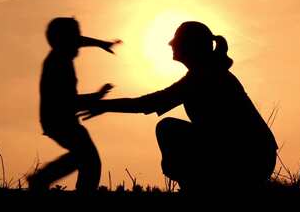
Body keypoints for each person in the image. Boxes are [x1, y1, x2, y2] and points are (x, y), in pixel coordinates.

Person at [78, 21, 277, 192]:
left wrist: (103, 106)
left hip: (250, 159)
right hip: (251, 156)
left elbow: (148, 103)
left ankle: (198, 187)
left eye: (176, 39)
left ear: (191, 46)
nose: (170, 44)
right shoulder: (205, 73)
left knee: (168, 129)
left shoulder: (203, 76)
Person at [28, 17, 121, 192]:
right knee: (89, 160)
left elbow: (80, 41)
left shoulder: (59, 55)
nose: (79, 43)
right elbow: (67, 101)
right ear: (65, 41)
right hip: (59, 120)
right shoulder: (58, 64)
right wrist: (96, 97)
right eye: (75, 38)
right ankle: (42, 179)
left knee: (84, 158)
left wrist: (102, 44)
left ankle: (42, 179)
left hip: (60, 120)